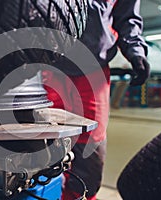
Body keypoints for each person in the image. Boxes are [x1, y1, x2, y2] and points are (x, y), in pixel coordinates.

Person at [43, 0, 150, 199]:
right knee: (42, 139)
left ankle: (80, 196)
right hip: (47, 63)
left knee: (91, 145)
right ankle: (45, 193)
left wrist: (136, 52)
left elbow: (127, 17)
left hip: (93, 70)